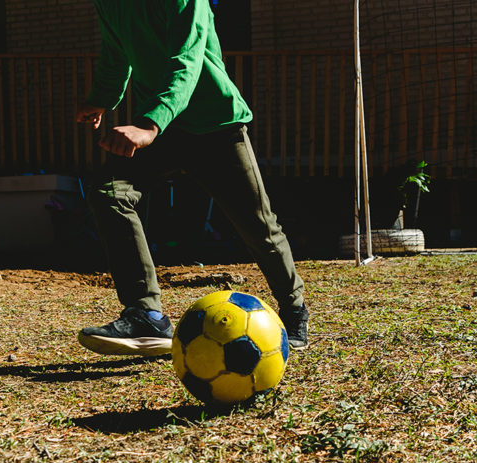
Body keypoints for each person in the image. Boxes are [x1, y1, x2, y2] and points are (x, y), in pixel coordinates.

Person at [76, 0, 309, 357]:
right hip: (159, 128)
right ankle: (146, 314)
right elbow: (116, 51)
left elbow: (186, 62)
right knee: (109, 193)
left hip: (213, 125)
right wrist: (101, 99)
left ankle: (294, 312)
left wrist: (149, 123)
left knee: (257, 225)